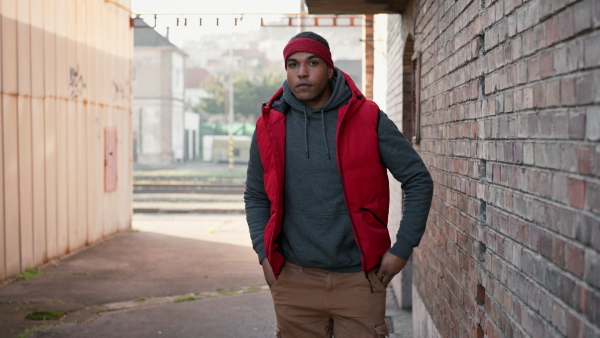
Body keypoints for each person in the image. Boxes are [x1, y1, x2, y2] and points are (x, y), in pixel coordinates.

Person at [244, 31, 433, 338]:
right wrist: (263, 255)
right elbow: (255, 194)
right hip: (294, 281)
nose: (302, 72)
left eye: (312, 63)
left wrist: (402, 248)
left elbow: (417, 179)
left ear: (330, 69)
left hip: (359, 280)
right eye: (293, 64)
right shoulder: (270, 124)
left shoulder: (368, 117)